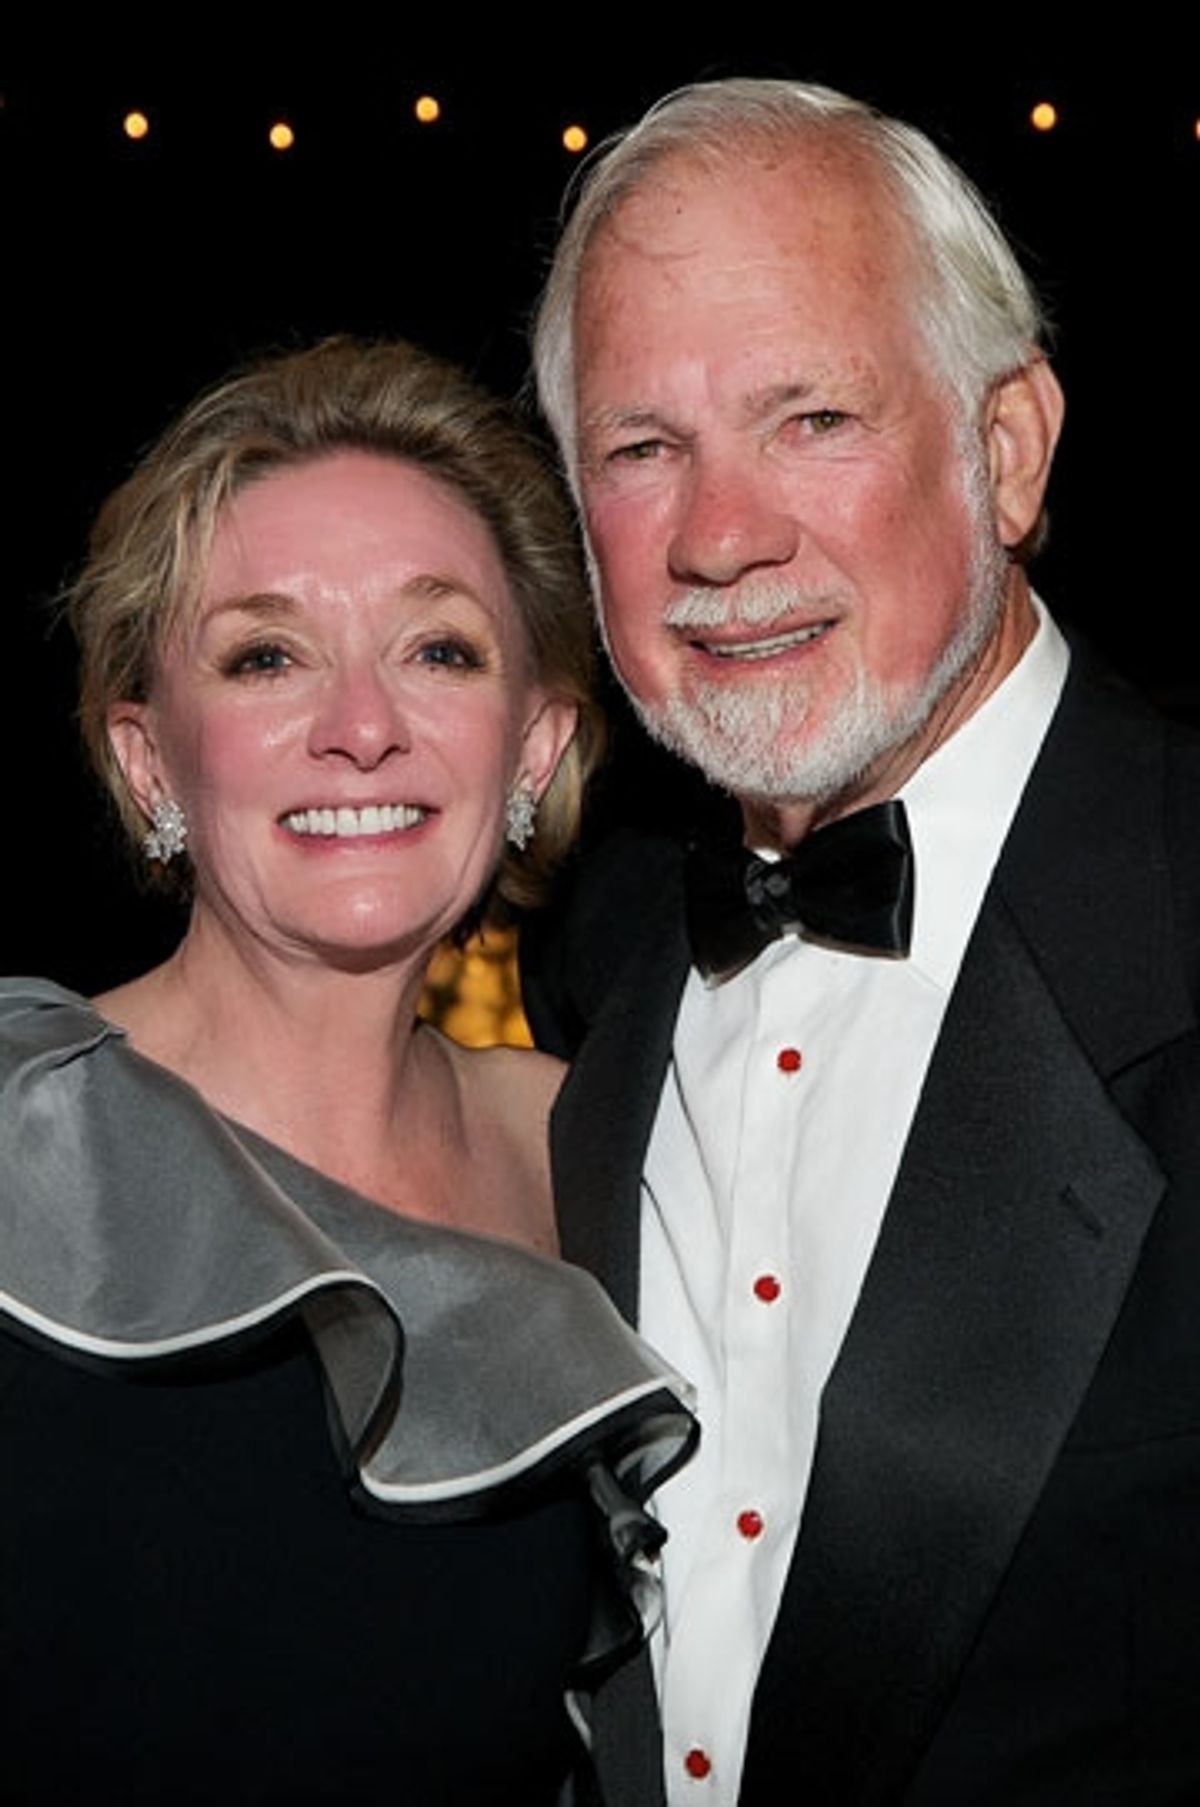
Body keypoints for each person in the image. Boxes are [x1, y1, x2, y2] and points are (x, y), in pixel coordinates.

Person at [527, 77, 1200, 1806]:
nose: (722, 537)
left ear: (1009, 449)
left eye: (811, 417)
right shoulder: (606, 968)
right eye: (641, 448)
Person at [0, 337, 695, 1805]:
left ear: (537, 746)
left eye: (439, 648)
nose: (361, 727)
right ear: (148, 763)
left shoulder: (607, 1144)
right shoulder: (14, 1132)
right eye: (266, 655)